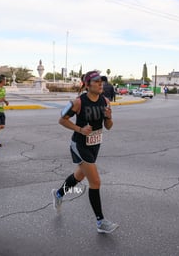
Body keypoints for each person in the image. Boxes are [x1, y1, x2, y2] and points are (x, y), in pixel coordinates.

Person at [51, 70, 119, 234]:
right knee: (95, 182)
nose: (100, 83)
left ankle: (59, 194)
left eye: (101, 81)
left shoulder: (105, 101)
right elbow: (62, 120)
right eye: (96, 81)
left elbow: (108, 127)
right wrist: (80, 129)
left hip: (95, 145)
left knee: (79, 176)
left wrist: (109, 117)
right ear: (87, 85)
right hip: (79, 144)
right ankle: (100, 222)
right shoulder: (78, 102)